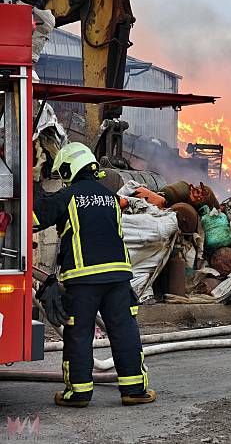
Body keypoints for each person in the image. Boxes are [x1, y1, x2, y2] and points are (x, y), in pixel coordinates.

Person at [34, 142, 156, 407]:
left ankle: (78, 393)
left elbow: (34, 218)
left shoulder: (68, 196)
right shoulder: (111, 198)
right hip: (119, 278)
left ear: (70, 168)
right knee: (124, 331)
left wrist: (31, 186)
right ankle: (135, 390)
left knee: (79, 334)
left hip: (83, 280)